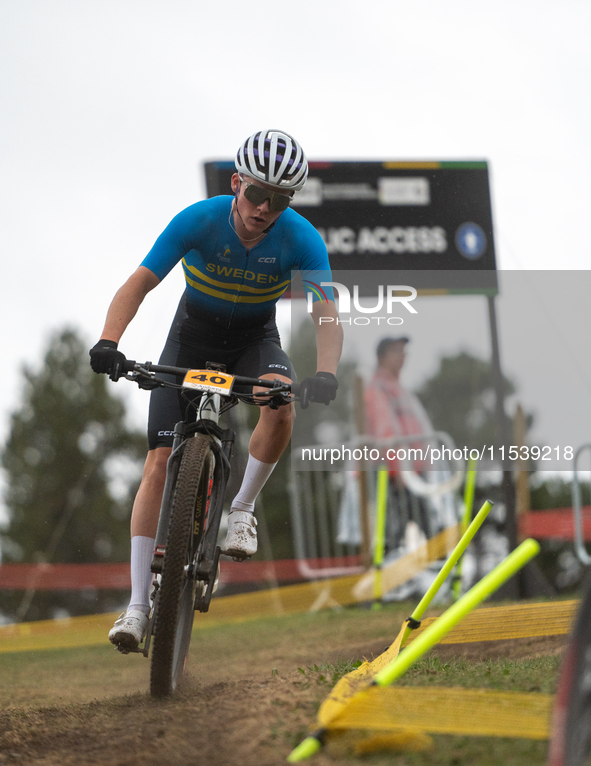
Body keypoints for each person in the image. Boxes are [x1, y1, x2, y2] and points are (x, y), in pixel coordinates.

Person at [90, 129, 342, 651]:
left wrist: (327, 370)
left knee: (281, 400)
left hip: (253, 339)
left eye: (280, 199)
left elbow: (325, 310)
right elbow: (139, 283)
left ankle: (242, 509)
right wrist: (109, 341)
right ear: (236, 184)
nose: (264, 208)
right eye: (255, 193)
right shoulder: (197, 220)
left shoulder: (302, 239)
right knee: (158, 462)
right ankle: (137, 607)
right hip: (190, 337)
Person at [364, 336, 434, 549]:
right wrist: (400, 469)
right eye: (396, 351)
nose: (403, 356)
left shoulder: (398, 388)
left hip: (410, 470)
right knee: (394, 533)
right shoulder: (378, 388)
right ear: (381, 357)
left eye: (404, 351)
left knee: (415, 527)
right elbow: (386, 432)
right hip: (396, 473)